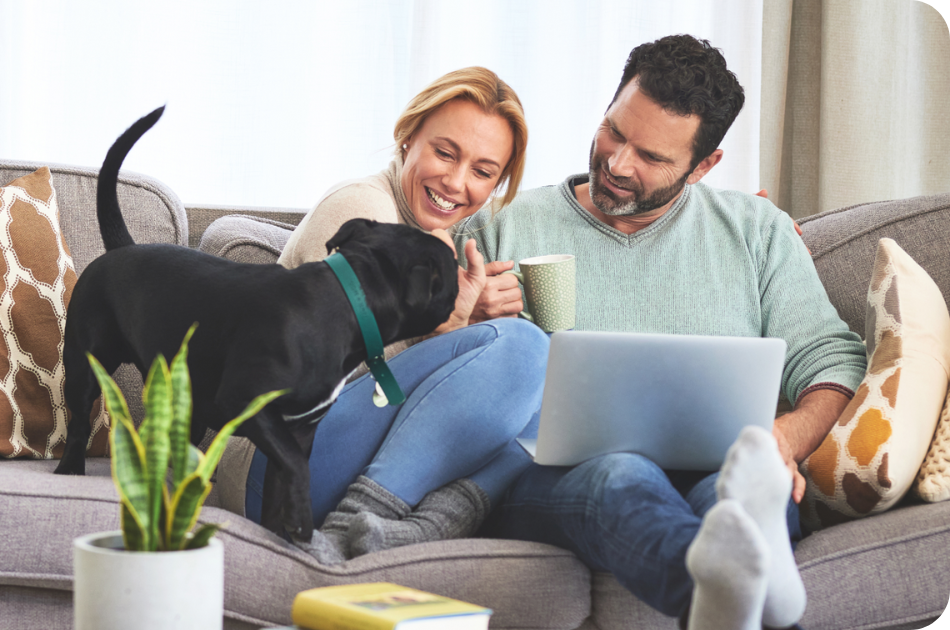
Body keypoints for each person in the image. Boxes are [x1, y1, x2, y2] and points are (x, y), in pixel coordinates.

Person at [454, 35, 867, 630]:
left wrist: (784, 438)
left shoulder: (756, 233)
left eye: (651, 156)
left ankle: (744, 575)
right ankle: (752, 596)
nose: (619, 164)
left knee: (743, 495)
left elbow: (832, 356)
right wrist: (470, 329)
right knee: (624, 474)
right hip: (551, 481)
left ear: (704, 166)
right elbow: (436, 379)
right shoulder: (502, 223)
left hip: (714, 470)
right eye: (615, 133)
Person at [242, 67, 550, 564]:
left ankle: (426, 525)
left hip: (327, 460)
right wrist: (450, 332)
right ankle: (352, 529)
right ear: (408, 138)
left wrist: (462, 331)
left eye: (482, 171)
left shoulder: (437, 243)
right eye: (444, 153)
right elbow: (333, 374)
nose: (456, 182)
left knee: (545, 393)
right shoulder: (364, 212)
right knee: (525, 346)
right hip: (277, 465)